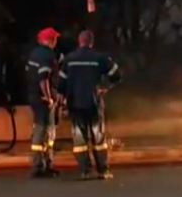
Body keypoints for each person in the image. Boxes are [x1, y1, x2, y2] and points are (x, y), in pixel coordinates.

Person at [59, 30, 121, 180]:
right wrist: (104, 88)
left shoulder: (69, 59)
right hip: (93, 102)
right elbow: (116, 75)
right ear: (91, 43)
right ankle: (102, 170)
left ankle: (85, 170)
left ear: (80, 42)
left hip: (75, 104)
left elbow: (61, 84)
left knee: (80, 139)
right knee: (98, 138)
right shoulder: (100, 58)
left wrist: (63, 100)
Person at [25, 27, 61, 178]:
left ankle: (41, 163)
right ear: (50, 40)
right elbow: (43, 78)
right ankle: (42, 164)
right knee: (46, 130)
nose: (56, 42)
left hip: (33, 95)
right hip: (43, 97)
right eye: (55, 39)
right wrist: (49, 97)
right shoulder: (47, 55)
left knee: (40, 129)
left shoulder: (34, 53)